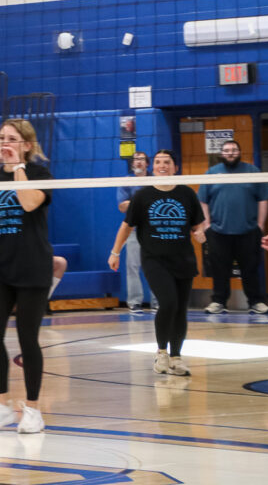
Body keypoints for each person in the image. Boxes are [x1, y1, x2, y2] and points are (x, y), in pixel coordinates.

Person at [0, 119, 54, 434]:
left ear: (26, 145)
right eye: (2, 138)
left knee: (27, 339)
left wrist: (18, 166)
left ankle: (33, 410)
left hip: (33, 268)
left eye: (12, 138)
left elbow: (29, 203)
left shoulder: (40, 174)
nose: (5, 142)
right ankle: (2, 405)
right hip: (1, 270)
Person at [108, 150, 205, 377]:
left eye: (167, 162)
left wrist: (200, 232)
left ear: (175, 167)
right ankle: (162, 353)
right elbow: (126, 226)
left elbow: (197, 224)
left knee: (180, 309)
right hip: (154, 259)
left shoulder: (187, 193)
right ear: (153, 167)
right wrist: (115, 252)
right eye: (159, 162)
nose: (162, 165)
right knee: (168, 302)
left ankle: (176, 358)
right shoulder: (143, 195)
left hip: (183, 258)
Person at [197, 139, 268, 315]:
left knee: (250, 269)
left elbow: (263, 198)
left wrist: (260, 224)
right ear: (221, 154)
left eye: (234, 150)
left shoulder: (252, 171)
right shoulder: (212, 173)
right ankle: (219, 302)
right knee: (219, 269)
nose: (230, 153)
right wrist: (207, 224)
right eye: (227, 150)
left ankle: (256, 302)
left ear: (239, 152)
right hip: (218, 231)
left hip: (248, 230)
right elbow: (203, 200)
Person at [117, 152, 157, 312]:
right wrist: (143, 200)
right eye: (135, 160)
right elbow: (122, 206)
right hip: (134, 229)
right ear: (132, 164)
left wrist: (134, 202)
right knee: (132, 266)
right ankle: (134, 302)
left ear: (147, 163)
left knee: (156, 265)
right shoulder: (127, 181)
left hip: (154, 229)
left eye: (141, 159)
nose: (138, 162)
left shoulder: (155, 180)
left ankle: (157, 301)